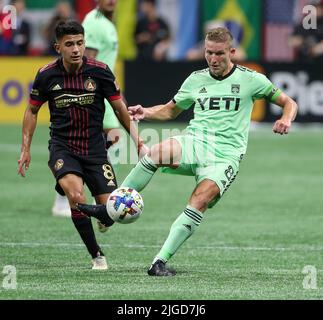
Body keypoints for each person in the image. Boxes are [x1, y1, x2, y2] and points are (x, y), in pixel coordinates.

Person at [77, 27, 298, 276]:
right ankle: (109, 211)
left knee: (199, 200)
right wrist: (146, 112)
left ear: (232, 52)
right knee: (155, 152)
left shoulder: (252, 79)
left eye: (219, 54)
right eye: (208, 53)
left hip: (225, 155)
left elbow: (289, 103)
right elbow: (172, 110)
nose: (213, 59)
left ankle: (159, 262)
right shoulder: (196, 78)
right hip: (194, 142)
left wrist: (286, 119)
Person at [17, 20, 147, 270]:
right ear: (58, 47)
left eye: (80, 43)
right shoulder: (46, 75)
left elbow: (119, 107)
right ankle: (96, 254)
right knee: (76, 196)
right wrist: (25, 148)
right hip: (63, 147)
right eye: (69, 44)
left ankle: (97, 213)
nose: (76, 49)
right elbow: (32, 111)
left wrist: (138, 141)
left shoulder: (100, 71)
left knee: (111, 213)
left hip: (96, 150)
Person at [52, 0, 121, 217]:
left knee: (108, 144)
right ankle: (65, 198)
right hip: (92, 95)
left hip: (103, 91)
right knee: (93, 145)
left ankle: (93, 197)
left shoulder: (108, 23)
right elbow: (86, 60)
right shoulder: (93, 22)